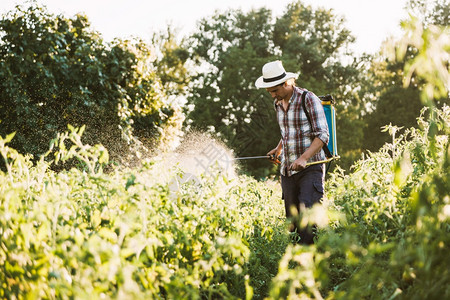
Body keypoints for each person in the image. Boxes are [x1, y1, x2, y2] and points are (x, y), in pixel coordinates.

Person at [255, 60, 329, 244]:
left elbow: (322, 135)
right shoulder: (278, 104)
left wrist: (304, 158)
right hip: (288, 172)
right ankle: (296, 266)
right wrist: (278, 149)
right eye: (269, 91)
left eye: (275, 90)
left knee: (307, 219)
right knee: (293, 224)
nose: (272, 95)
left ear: (287, 83)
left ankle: (310, 267)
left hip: (310, 168)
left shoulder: (308, 99)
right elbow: (288, 132)